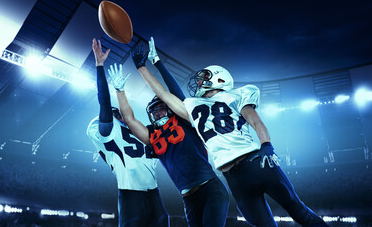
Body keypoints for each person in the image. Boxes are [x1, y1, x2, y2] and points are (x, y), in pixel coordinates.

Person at [136, 37, 329, 227]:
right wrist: (144, 67)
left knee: (298, 210)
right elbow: (164, 95)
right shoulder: (193, 106)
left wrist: (266, 145)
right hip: (233, 177)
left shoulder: (233, 95)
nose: (200, 81)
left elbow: (255, 121)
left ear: (220, 79)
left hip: (255, 161)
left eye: (205, 78)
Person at [107, 41, 229, 227]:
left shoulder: (184, 119)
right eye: (154, 111)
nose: (158, 113)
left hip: (210, 189)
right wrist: (119, 91)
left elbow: (169, 92)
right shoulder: (151, 134)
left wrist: (155, 63)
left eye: (162, 109)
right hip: (188, 199)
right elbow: (130, 120)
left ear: (171, 109)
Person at [86, 38, 169, 227]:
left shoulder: (139, 130)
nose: (119, 118)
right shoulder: (109, 131)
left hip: (155, 194)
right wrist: (100, 66)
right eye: (116, 115)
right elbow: (105, 105)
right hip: (131, 196)